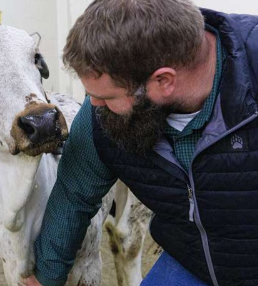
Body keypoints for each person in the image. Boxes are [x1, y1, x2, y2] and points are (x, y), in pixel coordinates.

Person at [25, 0, 258, 285]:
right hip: (192, 258)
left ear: (164, 81)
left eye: (107, 97)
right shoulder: (99, 114)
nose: (94, 106)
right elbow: (73, 196)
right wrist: (46, 278)